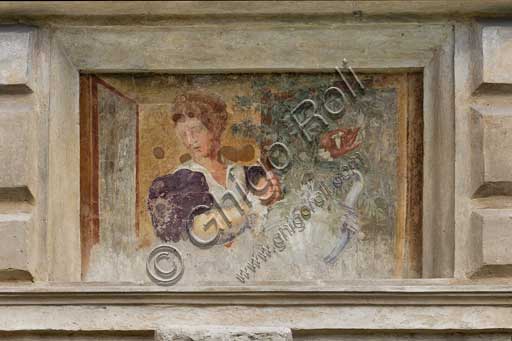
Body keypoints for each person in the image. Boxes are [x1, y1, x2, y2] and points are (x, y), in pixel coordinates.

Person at [147, 91, 281, 247]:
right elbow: (202, 229)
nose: (190, 141)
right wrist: (255, 204)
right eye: (184, 134)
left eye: (196, 130)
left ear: (215, 127)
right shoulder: (177, 182)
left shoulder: (244, 173)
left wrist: (271, 197)